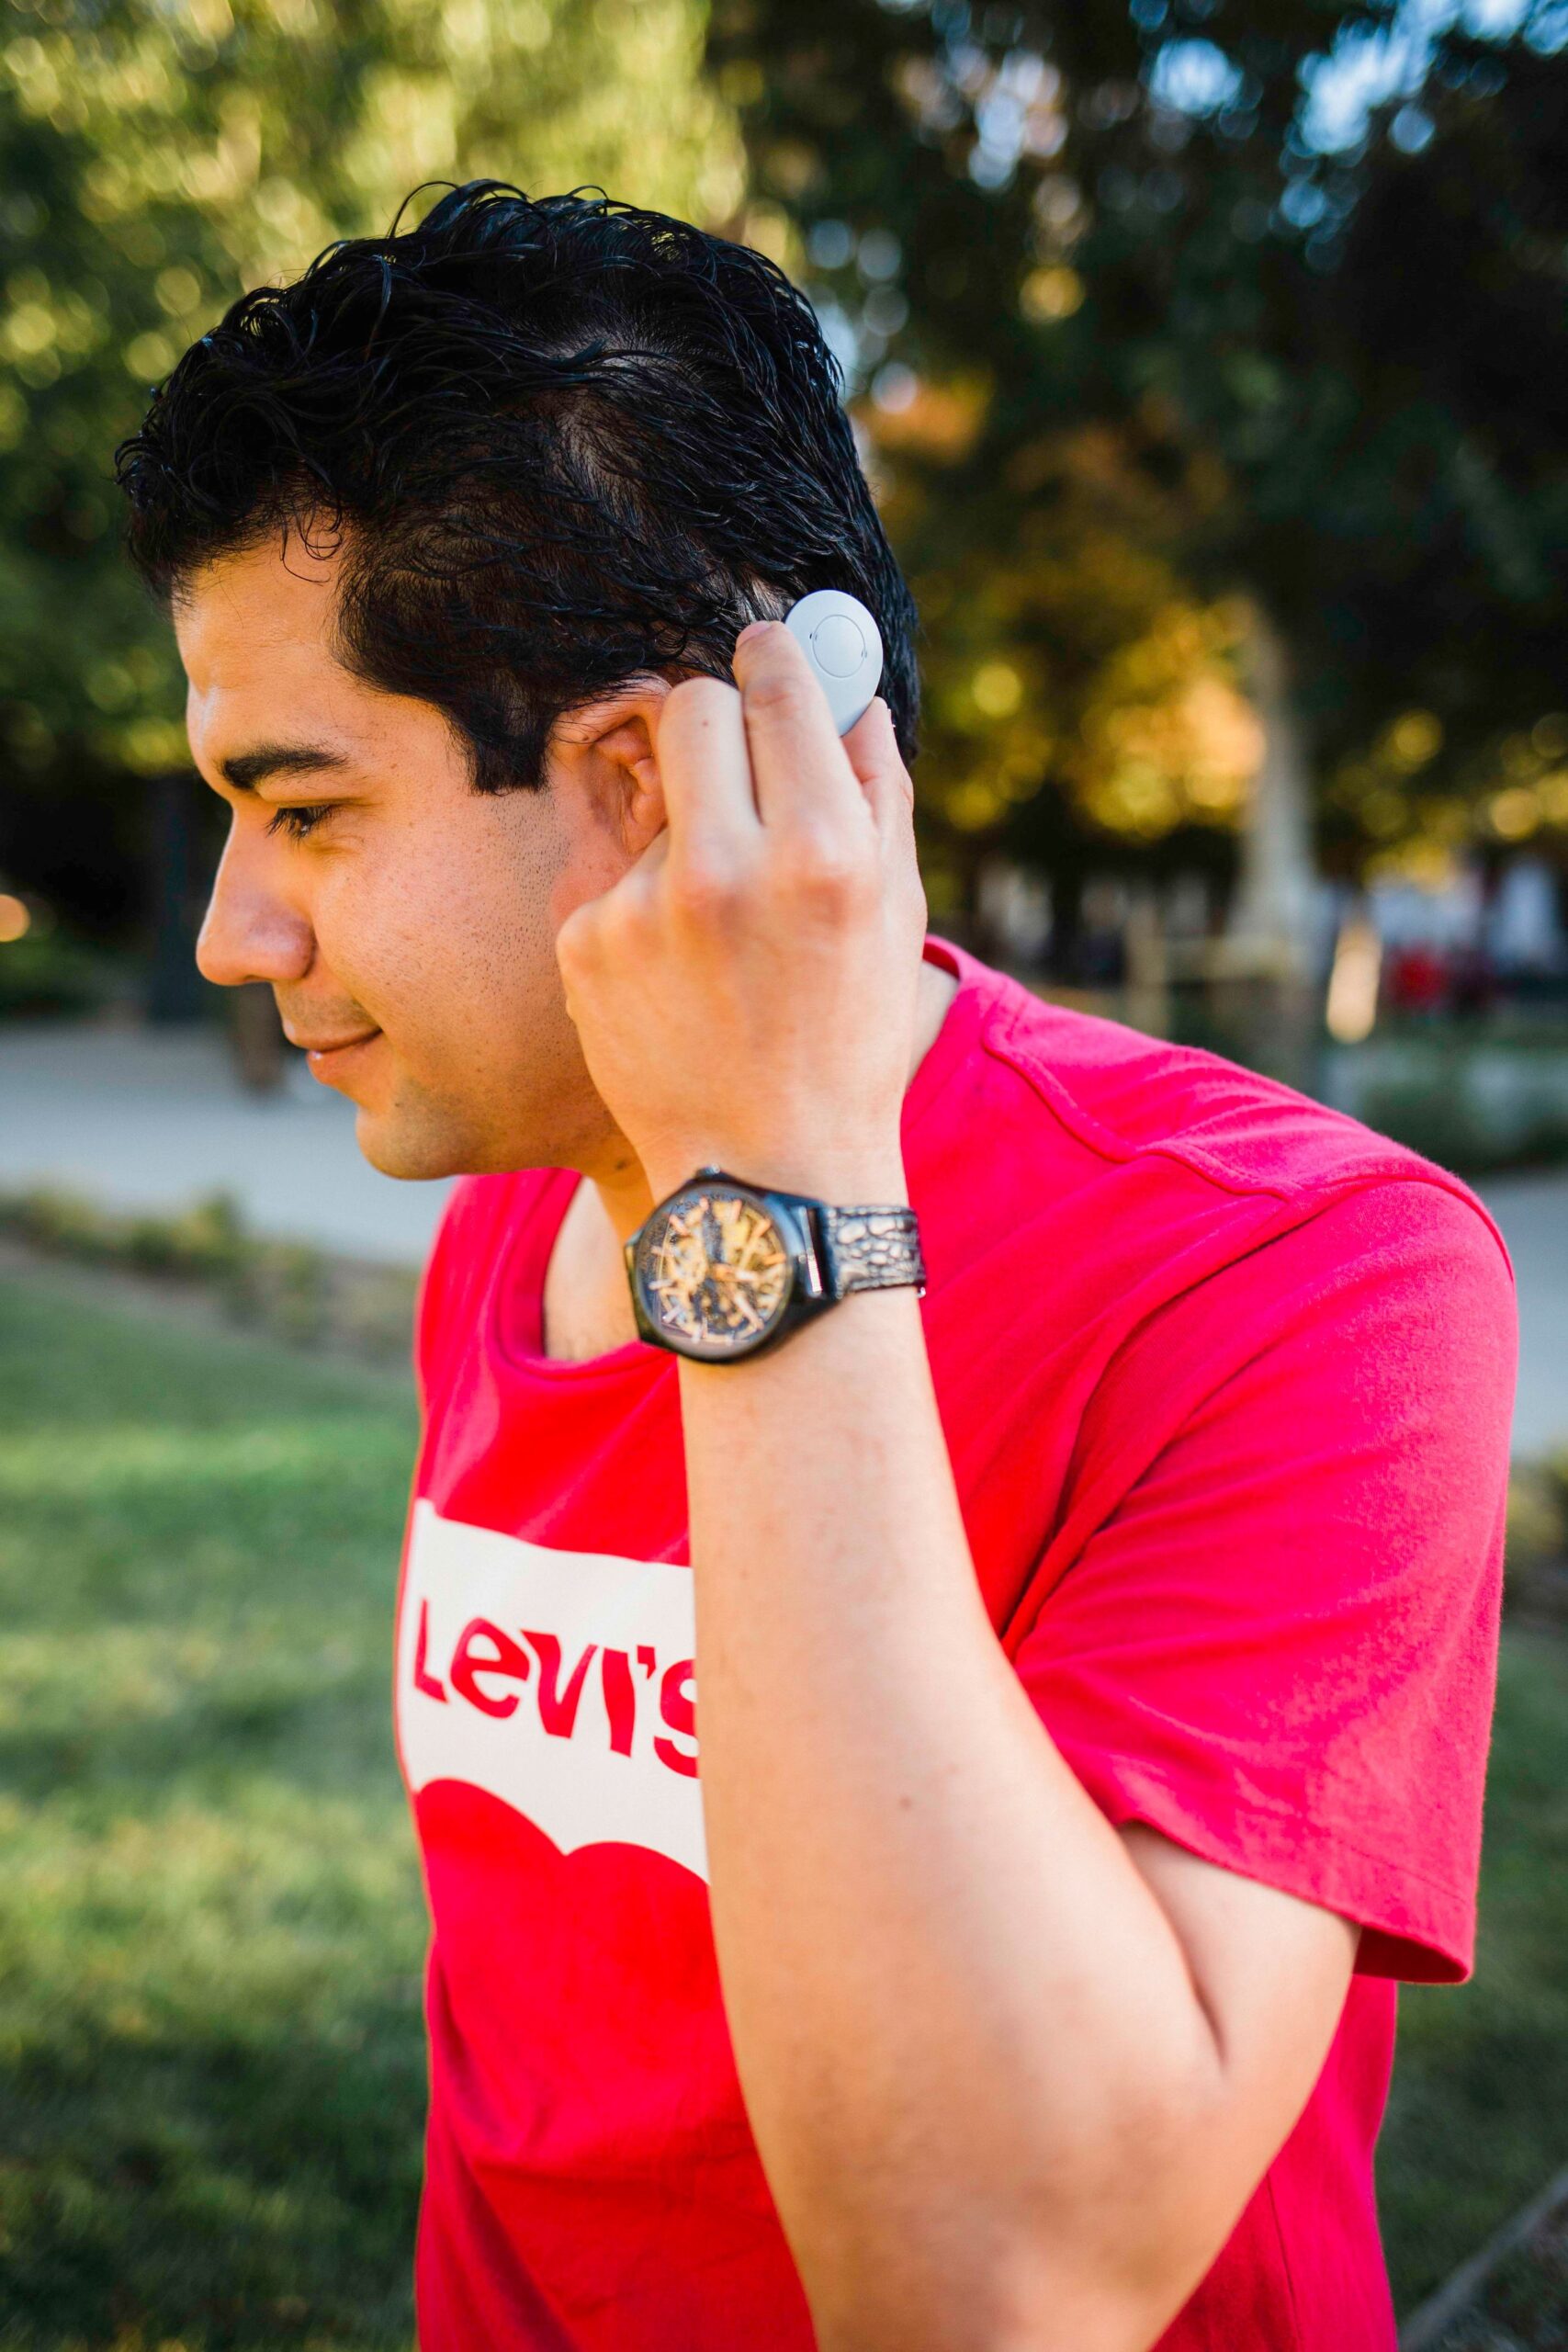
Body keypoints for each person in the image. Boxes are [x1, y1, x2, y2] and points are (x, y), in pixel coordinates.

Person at [117, 183, 1517, 2352]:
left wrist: (765, 1176)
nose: (237, 928)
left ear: (663, 784)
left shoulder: (1296, 1277)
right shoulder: (514, 1185)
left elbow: (995, 2288)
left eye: (304, 809)